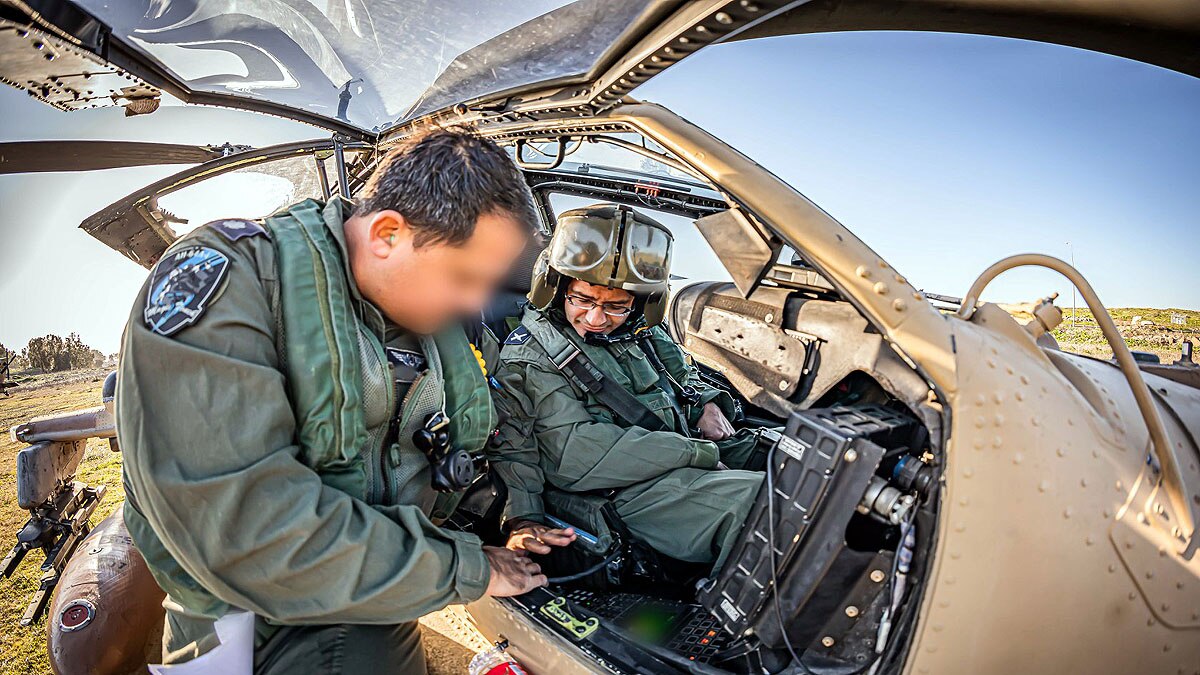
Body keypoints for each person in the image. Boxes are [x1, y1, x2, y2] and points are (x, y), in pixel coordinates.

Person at [117, 127, 573, 673]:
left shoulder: (425, 322)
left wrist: (513, 520)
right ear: (386, 233)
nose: (476, 302)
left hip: (377, 588)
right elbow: (246, 535)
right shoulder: (231, 276)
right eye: (463, 276)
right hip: (257, 618)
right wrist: (465, 568)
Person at [490, 203, 764, 570]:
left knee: (798, 457)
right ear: (557, 287)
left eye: (616, 306)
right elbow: (571, 455)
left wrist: (707, 404)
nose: (596, 318)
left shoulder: (641, 331)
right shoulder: (532, 356)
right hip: (623, 489)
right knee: (762, 504)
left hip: (679, 451)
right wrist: (523, 519)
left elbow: (684, 377)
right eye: (583, 299)